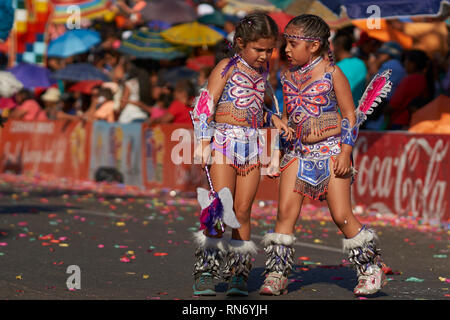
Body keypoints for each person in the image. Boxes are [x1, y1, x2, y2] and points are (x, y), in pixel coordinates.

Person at [259, 14, 389, 297]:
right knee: (284, 214)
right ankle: (277, 273)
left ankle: (370, 267)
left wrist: (346, 152)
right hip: (296, 153)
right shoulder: (287, 76)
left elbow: (349, 116)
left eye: (292, 44)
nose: (286, 50)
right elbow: (286, 115)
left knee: (342, 216)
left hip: (331, 152)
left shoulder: (333, 74)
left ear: (315, 45)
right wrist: (276, 151)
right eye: (286, 43)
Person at [190, 12, 292, 297]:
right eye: (259, 49)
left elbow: (267, 105)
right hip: (222, 142)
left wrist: (275, 119)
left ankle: (238, 273)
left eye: (269, 50)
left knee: (243, 211)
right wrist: (202, 142)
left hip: (251, 146)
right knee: (219, 210)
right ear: (239, 43)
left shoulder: (262, 73)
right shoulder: (226, 67)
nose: (264, 55)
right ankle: (206, 271)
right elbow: (204, 105)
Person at [384, 49, 435, 130]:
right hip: (413, 122)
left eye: (406, 60)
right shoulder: (424, 79)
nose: (405, 63)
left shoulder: (410, 79)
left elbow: (394, 104)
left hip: (400, 122)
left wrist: (384, 110)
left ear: (413, 64)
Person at [364, 41, 406, 130]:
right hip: (384, 110)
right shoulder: (399, 66)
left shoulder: (390, 65)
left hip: (380, 110)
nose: (378, 57)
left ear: (388, 54)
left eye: (381, 54)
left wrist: (373, 69)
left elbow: (373, 87)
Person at [333, 33, 367, 107]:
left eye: (333, 46)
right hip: (358, 110)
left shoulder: (337, 68)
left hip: (341, 113)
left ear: (338, 47)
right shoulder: (361, 63)